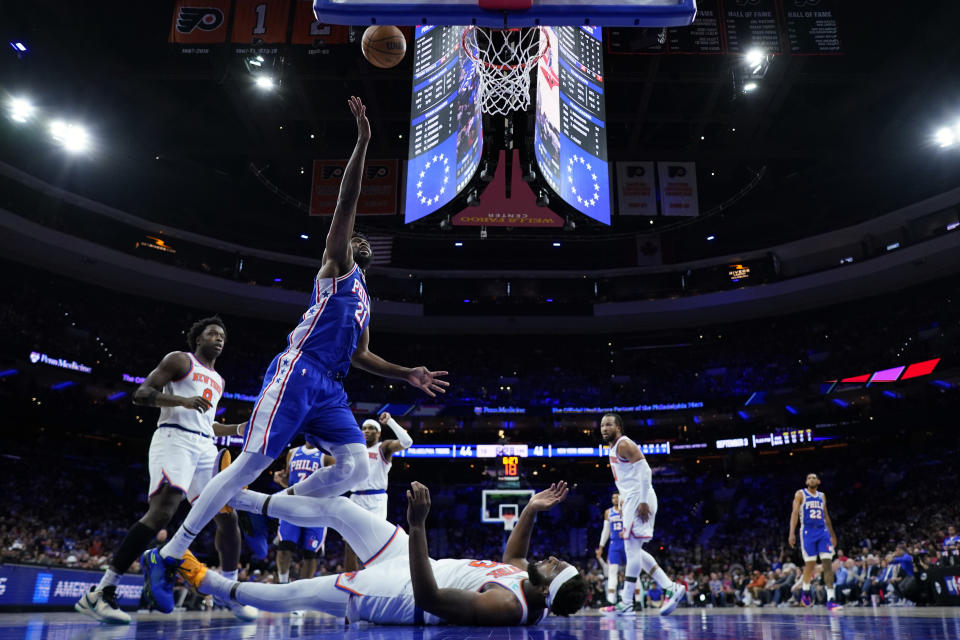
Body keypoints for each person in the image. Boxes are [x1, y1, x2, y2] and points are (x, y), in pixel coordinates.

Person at [142, 97, 449, 614]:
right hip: (297, 371)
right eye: (355, 237)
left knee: (353, 466)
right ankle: (170, 553)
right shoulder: (337, 266)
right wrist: (363, 144)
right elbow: (347, 201)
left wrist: (407, 373)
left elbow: (363, 355)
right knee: (251, 463)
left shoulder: (364, 301)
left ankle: (264, 502)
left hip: (330, 384)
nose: (361, 241)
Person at [173, 481, 590, 625]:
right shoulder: (525, 582)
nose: (551, 559)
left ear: (550, 588)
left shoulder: (507, 605)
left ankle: (208, 581)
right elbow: (515, 557)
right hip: (416, 561)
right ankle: (236, 496)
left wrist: (419, 525)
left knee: (296, 592)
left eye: (557, 566)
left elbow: (432, 599)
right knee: (338, 507)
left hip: (399, 594)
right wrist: (532, 509)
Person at [75, 317, 257, 624]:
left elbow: (206, 422)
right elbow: (142, 394)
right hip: (174, 438)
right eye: (212, 333)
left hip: (205, 446)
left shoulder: (219, 379)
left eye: (223, 335)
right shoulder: (179, 360)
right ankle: (101, 592)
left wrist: (238, 428)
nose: (219, 338)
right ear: (198, 339)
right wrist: (181, 400)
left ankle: (230, 592)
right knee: (162, 512)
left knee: (228, 515)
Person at [598, 413, 685, 616]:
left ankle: (627, 602)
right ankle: (671, 587)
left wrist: (643, 500)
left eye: (609, 424)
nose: (604, 428)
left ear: (618, 427)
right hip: (632, 499)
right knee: (635, 550)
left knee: (631, 550)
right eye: (602, 425)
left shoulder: (623, 444)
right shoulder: (613, 447)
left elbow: (645, 471)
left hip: (639, 499)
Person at [272, 441, 335, 616]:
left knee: (310, 555)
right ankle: (283, 588)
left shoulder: (327, 455)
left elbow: (338, 482)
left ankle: (301, 599)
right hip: (292, 505)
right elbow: (289, 483)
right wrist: (281, 480)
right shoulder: (292, 453)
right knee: (284, 548)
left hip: (316, 508)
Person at [344, 411, 414, 570]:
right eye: (364, 428)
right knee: (349, 541)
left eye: (371, 428)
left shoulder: (383, 447)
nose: (367, 431)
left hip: (376, 499)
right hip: (355, 497)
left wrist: (390, 421)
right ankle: (349, 581)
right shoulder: (355, 450)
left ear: (378, 432)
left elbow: (407, 442)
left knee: (375, 540)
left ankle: (376, 576)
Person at [788, 472, 841, 611]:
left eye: (814, 478)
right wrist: (791, 533)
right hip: (807, 532)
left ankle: (831, 599)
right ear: (806, 482)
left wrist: (832, 534)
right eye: (809, 478)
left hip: (822, 531)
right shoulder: (800, 494)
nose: (811, 479)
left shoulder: (822, 496)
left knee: (827, 564)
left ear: (818, 482)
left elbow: (826, 516)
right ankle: (805, 593)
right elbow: (794, 513)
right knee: (810, 565)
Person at [594, 492, 626, 607]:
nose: (615, 499)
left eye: (617, 497)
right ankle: (611, 600)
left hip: (627, 543)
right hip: (614, 544)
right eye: (613, 497)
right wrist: (601, 547)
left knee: (631, 572)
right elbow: (605, 531)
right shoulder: (608, 512)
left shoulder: (627, 510)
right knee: (612, 572)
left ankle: (636, 600)